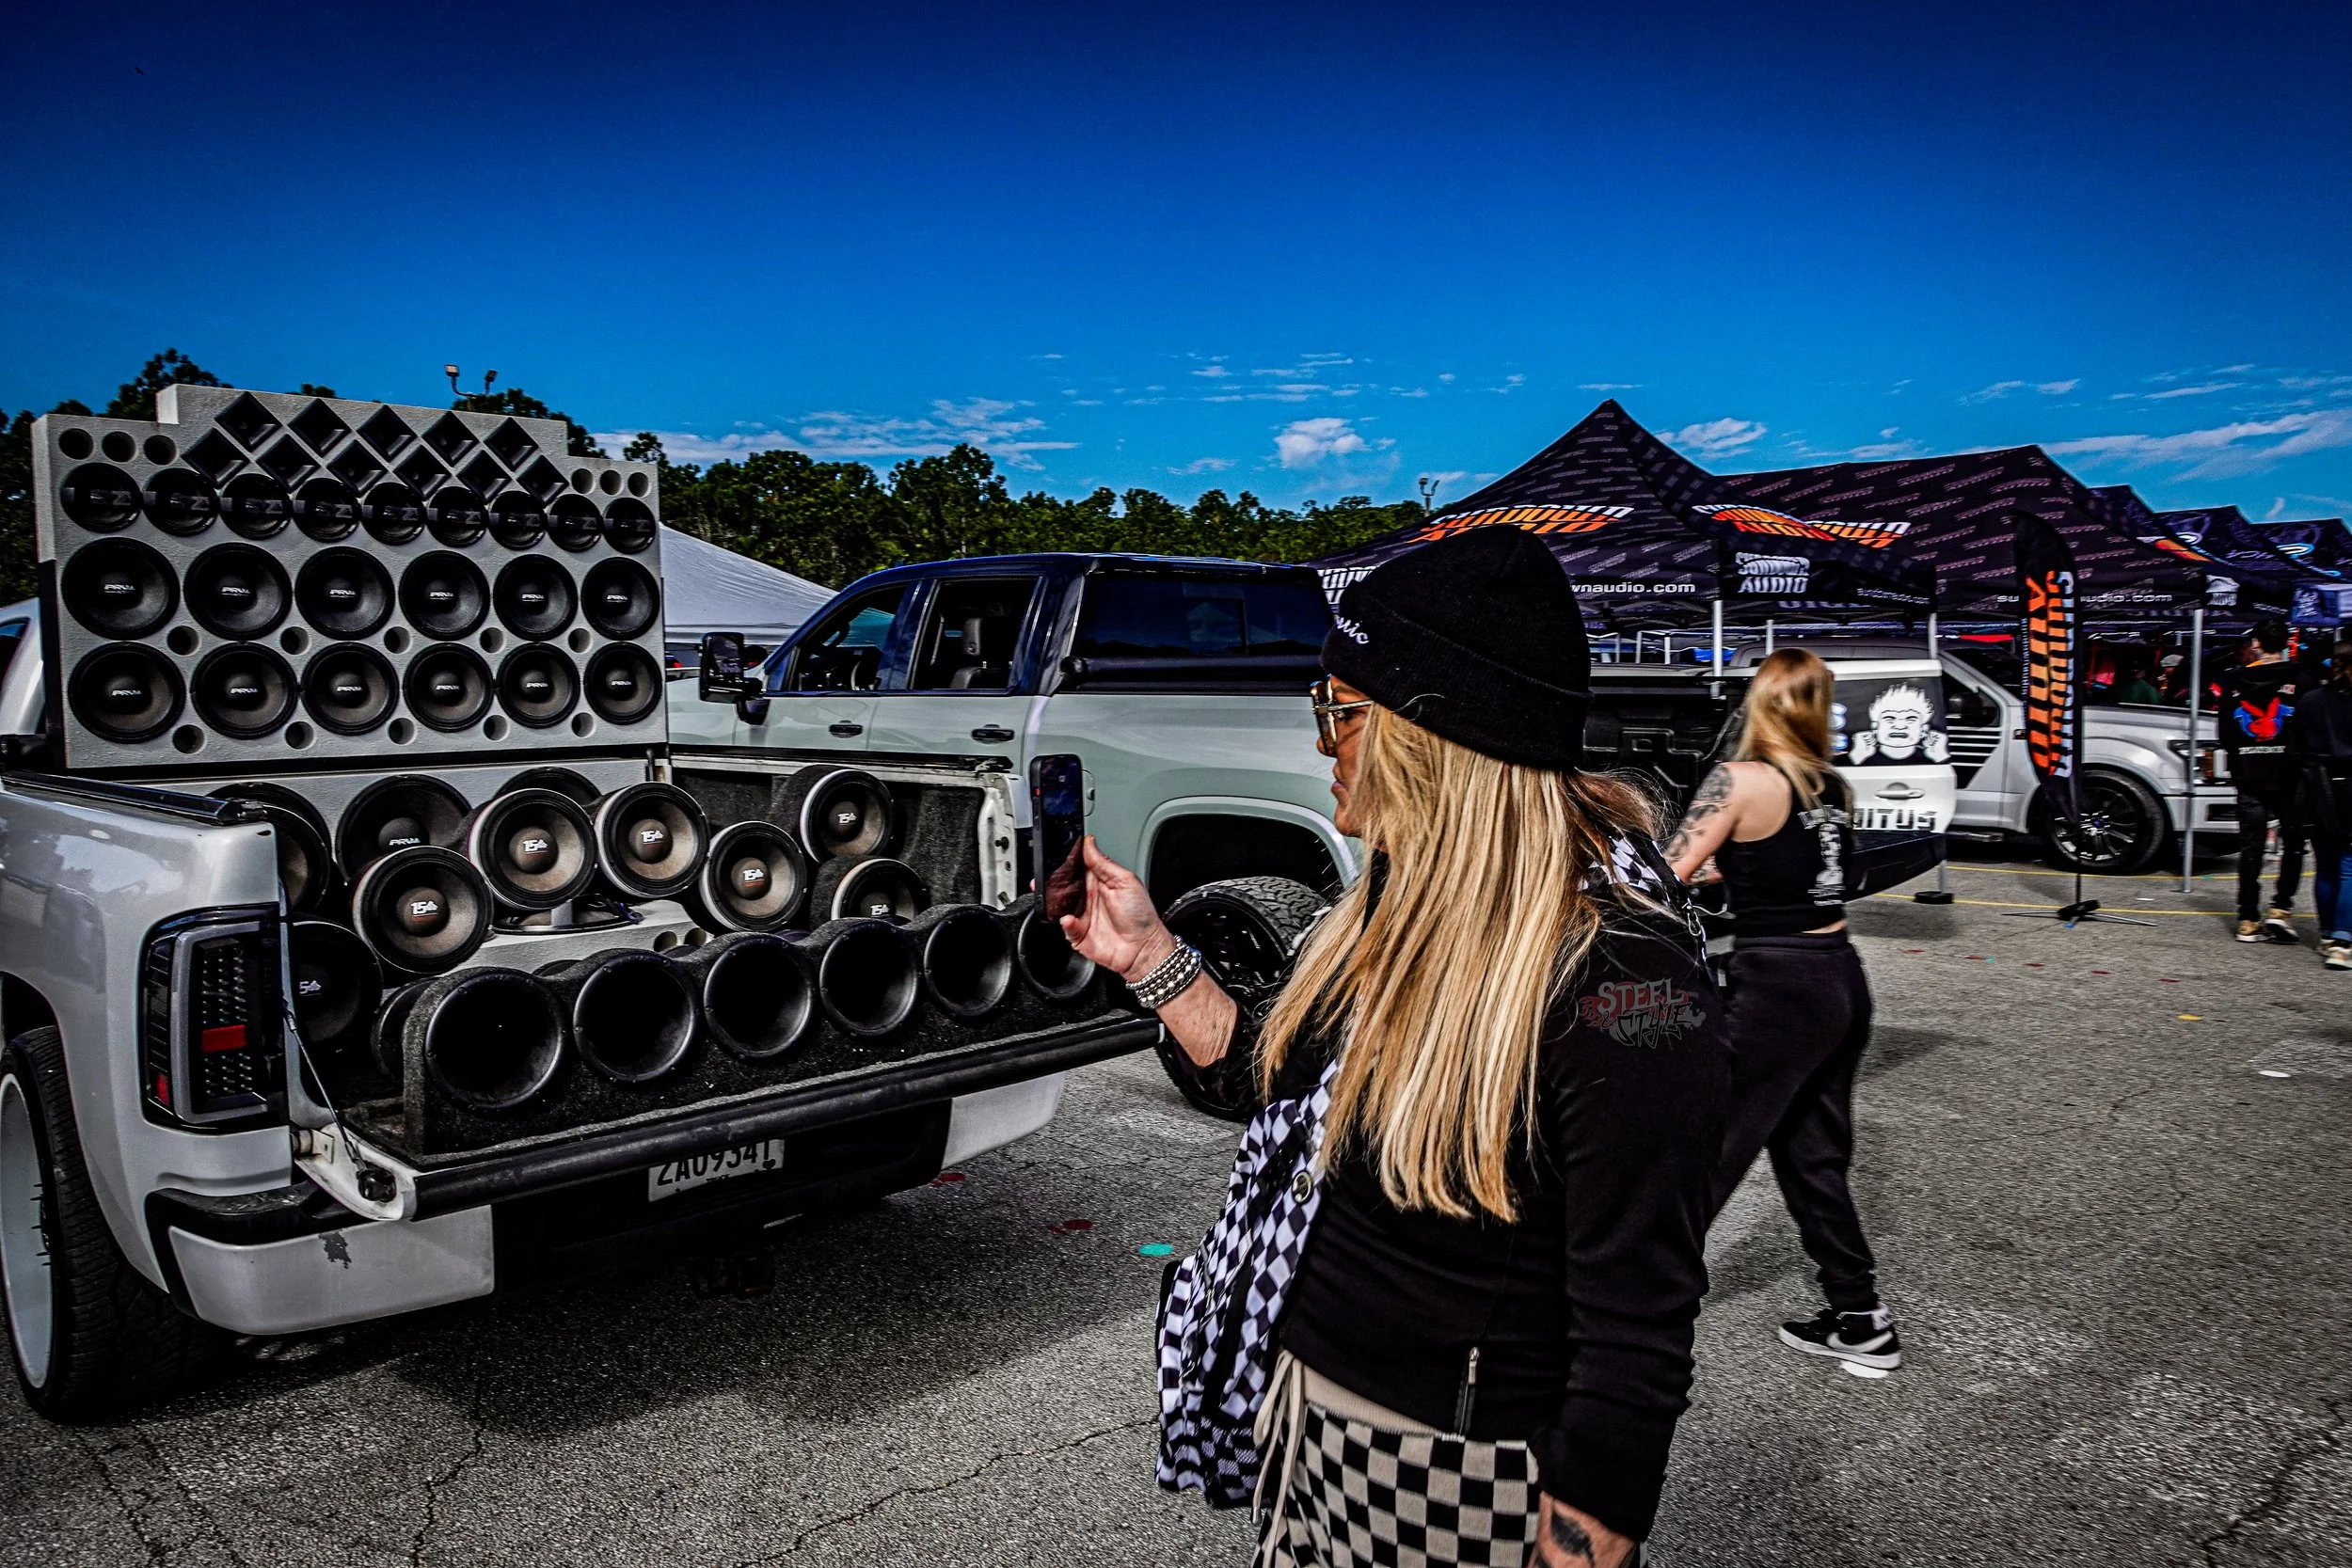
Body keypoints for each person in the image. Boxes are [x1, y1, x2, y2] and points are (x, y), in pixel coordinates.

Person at [1066, 528, 1728, 1568]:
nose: (1320, 741)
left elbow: (1638, 1325)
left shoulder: (1618, 977)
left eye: (1335, 712)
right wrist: (1149, 953)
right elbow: (1269, 1082)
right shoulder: (1394, 906)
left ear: (1427, 733)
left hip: (1452, 1466)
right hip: (1305, 1413)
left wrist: (1584, 1537)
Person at [1661, 648, 1899, 1373]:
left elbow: (1667, 873)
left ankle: (1629, 1301)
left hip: (1778, 985)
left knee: (1705, 1143)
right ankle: (1860, 1316)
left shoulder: (1739, 779)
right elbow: (1795, 868)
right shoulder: (1830, 785)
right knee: (1810, 1156)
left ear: (1761, 702)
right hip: (1839, 978)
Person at [2215, 622, 2304, 943]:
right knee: (2293, 843)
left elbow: (2224, 730)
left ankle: (2247, 918)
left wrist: (2240, 756)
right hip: (2288, 774)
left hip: (2248, 772)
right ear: (2286, 643)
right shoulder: (2299, 677)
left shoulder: (2233, 679)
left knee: (2251, 847)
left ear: (2255, 643)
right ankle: (2281, 909)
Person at [2288, 636, 2352, 971]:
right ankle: (2343, 940)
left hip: (2317, 787)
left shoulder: (2310, 701)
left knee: (2326, 865)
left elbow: (2294, 749)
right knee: (2349, 867)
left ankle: (2328, 934)